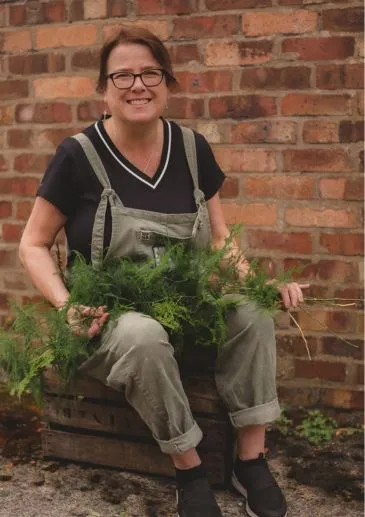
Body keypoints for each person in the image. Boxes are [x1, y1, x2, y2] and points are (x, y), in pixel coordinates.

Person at [19, 25, 308, 517]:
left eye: (150, 73)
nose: (138, 85)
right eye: (123, 75)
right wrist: (67, 306)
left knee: (250, 314)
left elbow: (220, 240)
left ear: (167, 83)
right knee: (141, 331)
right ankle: (189, 470)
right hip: (107, 324)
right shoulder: (79, 156)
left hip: (187, 315)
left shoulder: (193, 151)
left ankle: (250, 461)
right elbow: (34, 243)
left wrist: (260, 287)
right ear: (103, 89)